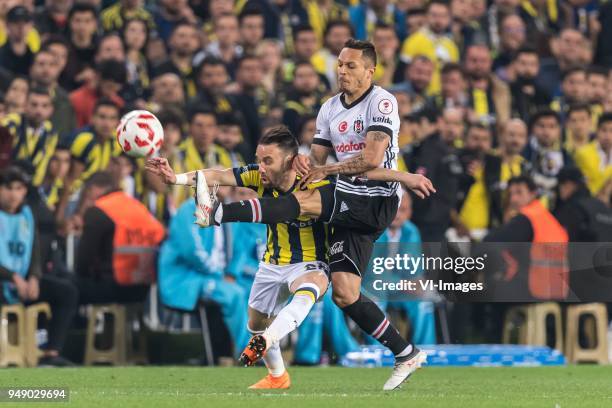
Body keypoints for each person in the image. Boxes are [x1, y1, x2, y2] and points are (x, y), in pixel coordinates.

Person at [151, 39, 435, 390]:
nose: (342, 71)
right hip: (343, 205)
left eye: (351, 66)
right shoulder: (329, 108)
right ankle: (406, 353)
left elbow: (371, 161)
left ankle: (219, 213)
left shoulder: (382, 101)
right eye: (340, 65)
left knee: (303, 202)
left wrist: (328, 172)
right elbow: (313, 164)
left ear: (370, 70)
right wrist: (305, 164)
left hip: (373, 199)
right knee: (345, 294)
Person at [150, 126, 332, 389]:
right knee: (255, 323)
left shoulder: (314, 184)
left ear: (291, 161)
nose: (261, 167)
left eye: (267, 161)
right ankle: (278, 376)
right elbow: (218, 175)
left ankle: (270, 339)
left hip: (310, 260)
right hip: (273, 262)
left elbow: (275, 210)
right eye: (259, 159)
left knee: (309, 288)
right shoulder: (258, 176)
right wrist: (175, 178)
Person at [0, 166, 77, 366]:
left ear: (25, 191)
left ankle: (51, 353)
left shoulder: (27, 215)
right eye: (8, 188)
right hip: (6, 282)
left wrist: (34, 277)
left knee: (67, 292)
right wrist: (14, 278)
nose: (13, 194)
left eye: (19, 188)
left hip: (24, 282)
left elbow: (35, 252)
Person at [1, 87, 57, 186]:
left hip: (28, 185)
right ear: (25, 106)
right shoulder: (10, 124)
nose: (39, 110)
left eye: (44, 106)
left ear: (51, 109)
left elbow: (43, 165)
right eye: (34, 105)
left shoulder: (51, 132)